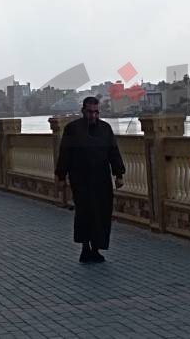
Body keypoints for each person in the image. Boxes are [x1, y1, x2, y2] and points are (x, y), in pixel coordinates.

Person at [55, 96, 126, 263]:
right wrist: (61, 176)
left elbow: (113, 152)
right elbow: (65, 154)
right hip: (80, 179)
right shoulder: (72, 129)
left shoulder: (105, 129)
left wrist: (119, 174)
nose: (93, 115)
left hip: (102, 179)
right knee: (84, 213)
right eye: (89, 112)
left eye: (96, 112)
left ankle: (97, 248)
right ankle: (85, 249)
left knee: (102, 214)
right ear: (83, 111)